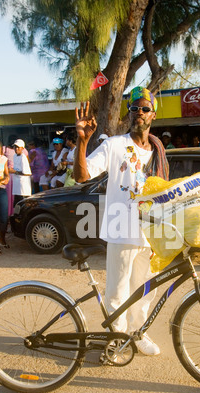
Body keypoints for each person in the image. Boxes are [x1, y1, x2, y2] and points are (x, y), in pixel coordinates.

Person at [74, 86, 169, 356]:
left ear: (153, 115)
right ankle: (117, 339)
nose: (139, 113)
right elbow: (82, 176)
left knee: (145, 290)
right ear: (130, 113)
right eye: (135, 108)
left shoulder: (159, 151)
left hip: (150, 232)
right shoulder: (114, 145)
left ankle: (139, 334)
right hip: (121, 229)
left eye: (145, 108)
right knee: (117, 292)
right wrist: (82, 140)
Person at [11, 139, 32, 206]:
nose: (16, 149)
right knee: (17, 203)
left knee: (23, 202)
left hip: (23, 185)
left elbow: (27, 172)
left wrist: (15, 172)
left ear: (22, 148)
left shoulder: (23, 157)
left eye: (18, 147)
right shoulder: (14, 156)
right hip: (16, 183)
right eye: (15, 147)